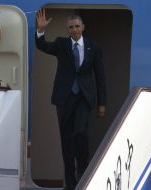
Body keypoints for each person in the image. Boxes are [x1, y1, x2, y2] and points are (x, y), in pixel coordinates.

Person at [35, 9, 107, 190]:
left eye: (77, 26)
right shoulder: (61, 44)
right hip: (64, 98)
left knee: (80, 134)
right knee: (66, 141)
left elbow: (100, 76)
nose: (74, 30)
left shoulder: (94, 47)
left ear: (83, 27)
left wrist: (102, 103)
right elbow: (42, 46)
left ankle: (83, 176)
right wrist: (41, 30)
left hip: (84, 98)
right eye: (71, 27)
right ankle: (70, 184)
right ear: (67, 30)